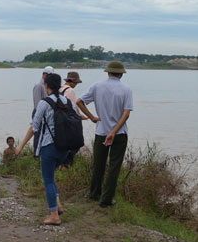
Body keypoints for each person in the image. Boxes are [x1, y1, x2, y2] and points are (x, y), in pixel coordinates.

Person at [76, 61, 133, 208]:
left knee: (98, 165)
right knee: (114, 166)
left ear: (108, 72)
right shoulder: (126, 89)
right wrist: (113, 132)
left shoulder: (97, 86)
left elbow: (79, 102)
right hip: (119, 134)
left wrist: (92, 117)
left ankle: (94, 194)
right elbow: (126, 114)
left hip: (101, 132)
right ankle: (106, 199)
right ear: (121, 74)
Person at [15, 73, 69, 225]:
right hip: (65, 148)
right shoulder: (66, 101)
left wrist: (20, 146)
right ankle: (58, 206)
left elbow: (34, 127)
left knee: (48, 180)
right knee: (51, 177)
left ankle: (54, 216)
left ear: (46, 86)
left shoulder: (44, 103)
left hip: (49, 147)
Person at [59, 71, 88, 166]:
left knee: (64, 143)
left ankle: (61, 162)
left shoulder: (60, 89)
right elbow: (72, 106)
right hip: (69, 121)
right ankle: (67, 164)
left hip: (60, 120)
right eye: (76, 83)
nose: (76, 85)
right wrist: (80, 116)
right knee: (76, 143)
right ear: (72, 82)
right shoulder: (70, 90)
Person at [32, 66, 54, 156]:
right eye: (49, 75)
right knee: (37, 134)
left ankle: (42, 153)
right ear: (44, 74)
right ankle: (36, 155)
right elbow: (37, 103)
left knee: (44, 134)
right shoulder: (38, 86)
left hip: (46, 113)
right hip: (38, 112)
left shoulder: (47, 86)